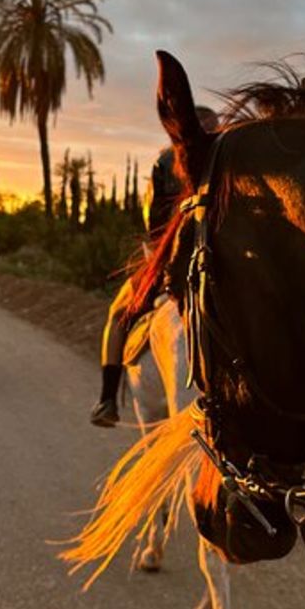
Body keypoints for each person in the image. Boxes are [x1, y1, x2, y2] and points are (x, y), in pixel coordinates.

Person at [90, 106, 219, 427]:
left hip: (174, 256)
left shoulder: (166, 160)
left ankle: (107, 399)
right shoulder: (227, 159)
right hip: (223, 255)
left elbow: (154, 223)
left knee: (118, 314)